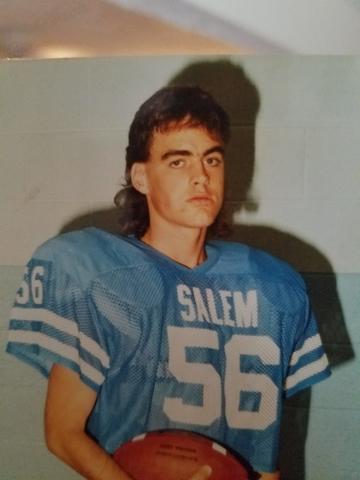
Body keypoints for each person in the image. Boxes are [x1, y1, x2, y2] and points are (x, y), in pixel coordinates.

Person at [6, 86, 330, 479]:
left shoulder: (273, 286)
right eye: (179, 162)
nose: (201, 177)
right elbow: (62, 433)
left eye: (212, 160)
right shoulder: (100, 275)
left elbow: (265, 453)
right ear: (141, 177)